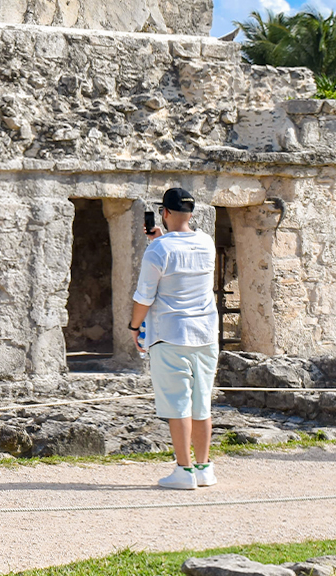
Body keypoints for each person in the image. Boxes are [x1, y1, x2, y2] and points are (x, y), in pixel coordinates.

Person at [129, 187, 220, 491]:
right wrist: (161, 239)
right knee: (201, 402)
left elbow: (144, 295)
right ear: (190, 213)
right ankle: (205, 467)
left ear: (164, 213)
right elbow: (183, 260)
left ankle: (184, 470)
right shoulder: (206, 243)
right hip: (206, 333)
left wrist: (134, 327)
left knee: (177, 404)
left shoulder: (158, 250)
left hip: (171, 333)